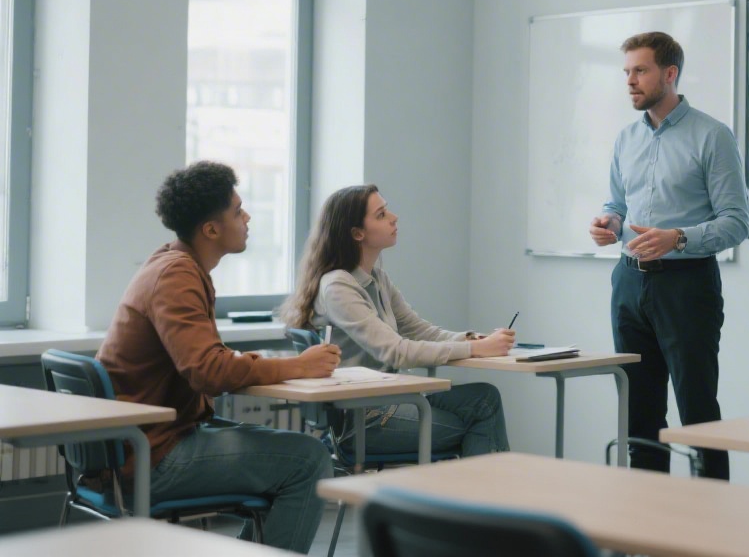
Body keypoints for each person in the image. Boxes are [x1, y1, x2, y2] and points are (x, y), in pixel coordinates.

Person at [97, 162, 340, 553]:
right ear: (211, 229)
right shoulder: (177, 276)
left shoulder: (173, 263)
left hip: (140, 446)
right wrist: (299, 365)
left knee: (292, 450)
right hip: (151, 457)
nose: (246, 218)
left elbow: (205, 358)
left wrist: (255, 361)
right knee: (309, 459)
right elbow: (207, 371)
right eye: (237, 210)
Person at [588, 31, 749, 480]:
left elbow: (736, 222)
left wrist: (677, 237)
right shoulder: (625, 139)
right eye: (626, 72)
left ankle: (709, 530)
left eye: (640, 71)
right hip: (629, 283)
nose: (630, 82)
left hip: (687, 286)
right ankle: (646, 530)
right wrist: (609, 224)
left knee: (698, 411)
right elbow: (618, 203)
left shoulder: (712, 136)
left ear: (670, 73)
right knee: (639, 413)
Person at [283, 184, 512, 458]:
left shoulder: (377, 278)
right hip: (364, 419)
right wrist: (476, 351)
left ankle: (474, 496)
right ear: (357, 233)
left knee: (485, 398)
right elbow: (396, 351)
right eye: (381, 215)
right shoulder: (338, 287)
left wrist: (474, 340)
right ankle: (479, 498)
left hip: (391, 400)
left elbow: (418, 330)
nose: (394, 217)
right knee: (479, 423)